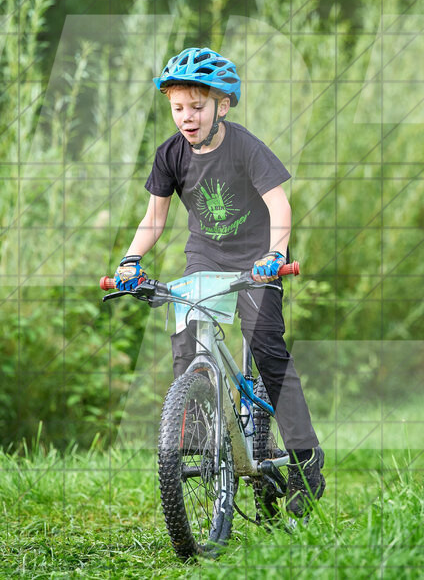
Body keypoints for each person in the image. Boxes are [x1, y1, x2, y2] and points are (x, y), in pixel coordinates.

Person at [115, 47, 325, 515]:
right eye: (177, 108)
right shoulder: (170, 154)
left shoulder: (245, 146)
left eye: (197, 106)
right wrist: (130, 261)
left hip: (258, 257)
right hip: (205, 256)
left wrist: (275, 254)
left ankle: (306, 458)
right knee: (185, 338)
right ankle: (198, 437)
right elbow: (154, 218)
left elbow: (280, 206)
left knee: (267, 347)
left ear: (222, 105)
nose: (186, 117)